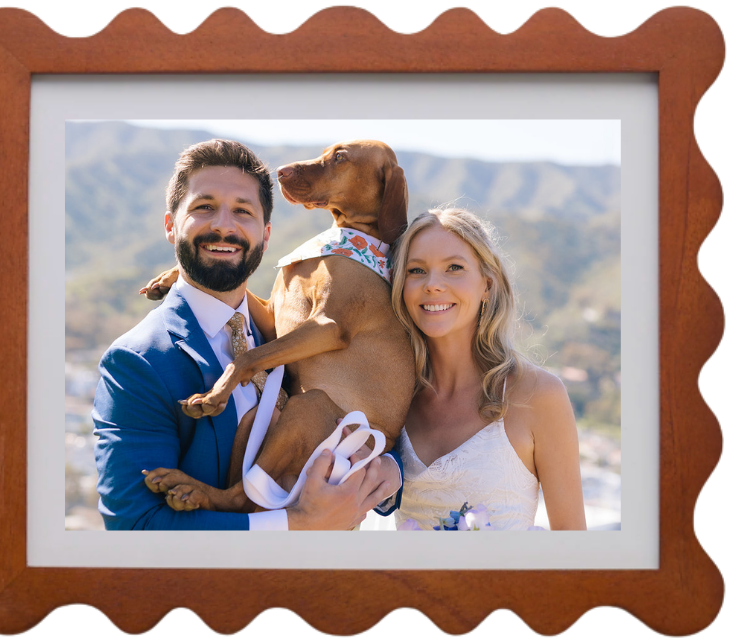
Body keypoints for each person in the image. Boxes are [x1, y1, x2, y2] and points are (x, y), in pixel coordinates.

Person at [93, 139, 400, 530]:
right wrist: (297, 524)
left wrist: (390, 469)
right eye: (204, 208)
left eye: (242, 211)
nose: (224, 225)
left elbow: (379, 401)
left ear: (265, 234)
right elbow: (135, 528)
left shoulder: (283, 329)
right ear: (171, 226)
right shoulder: (137, 363)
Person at [389, 208, 587, 530]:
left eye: (454, 268)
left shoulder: (539, 396)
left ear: (487, 285)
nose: (433, 285)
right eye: (416, 270)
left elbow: (577, 552)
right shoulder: (394, 397)